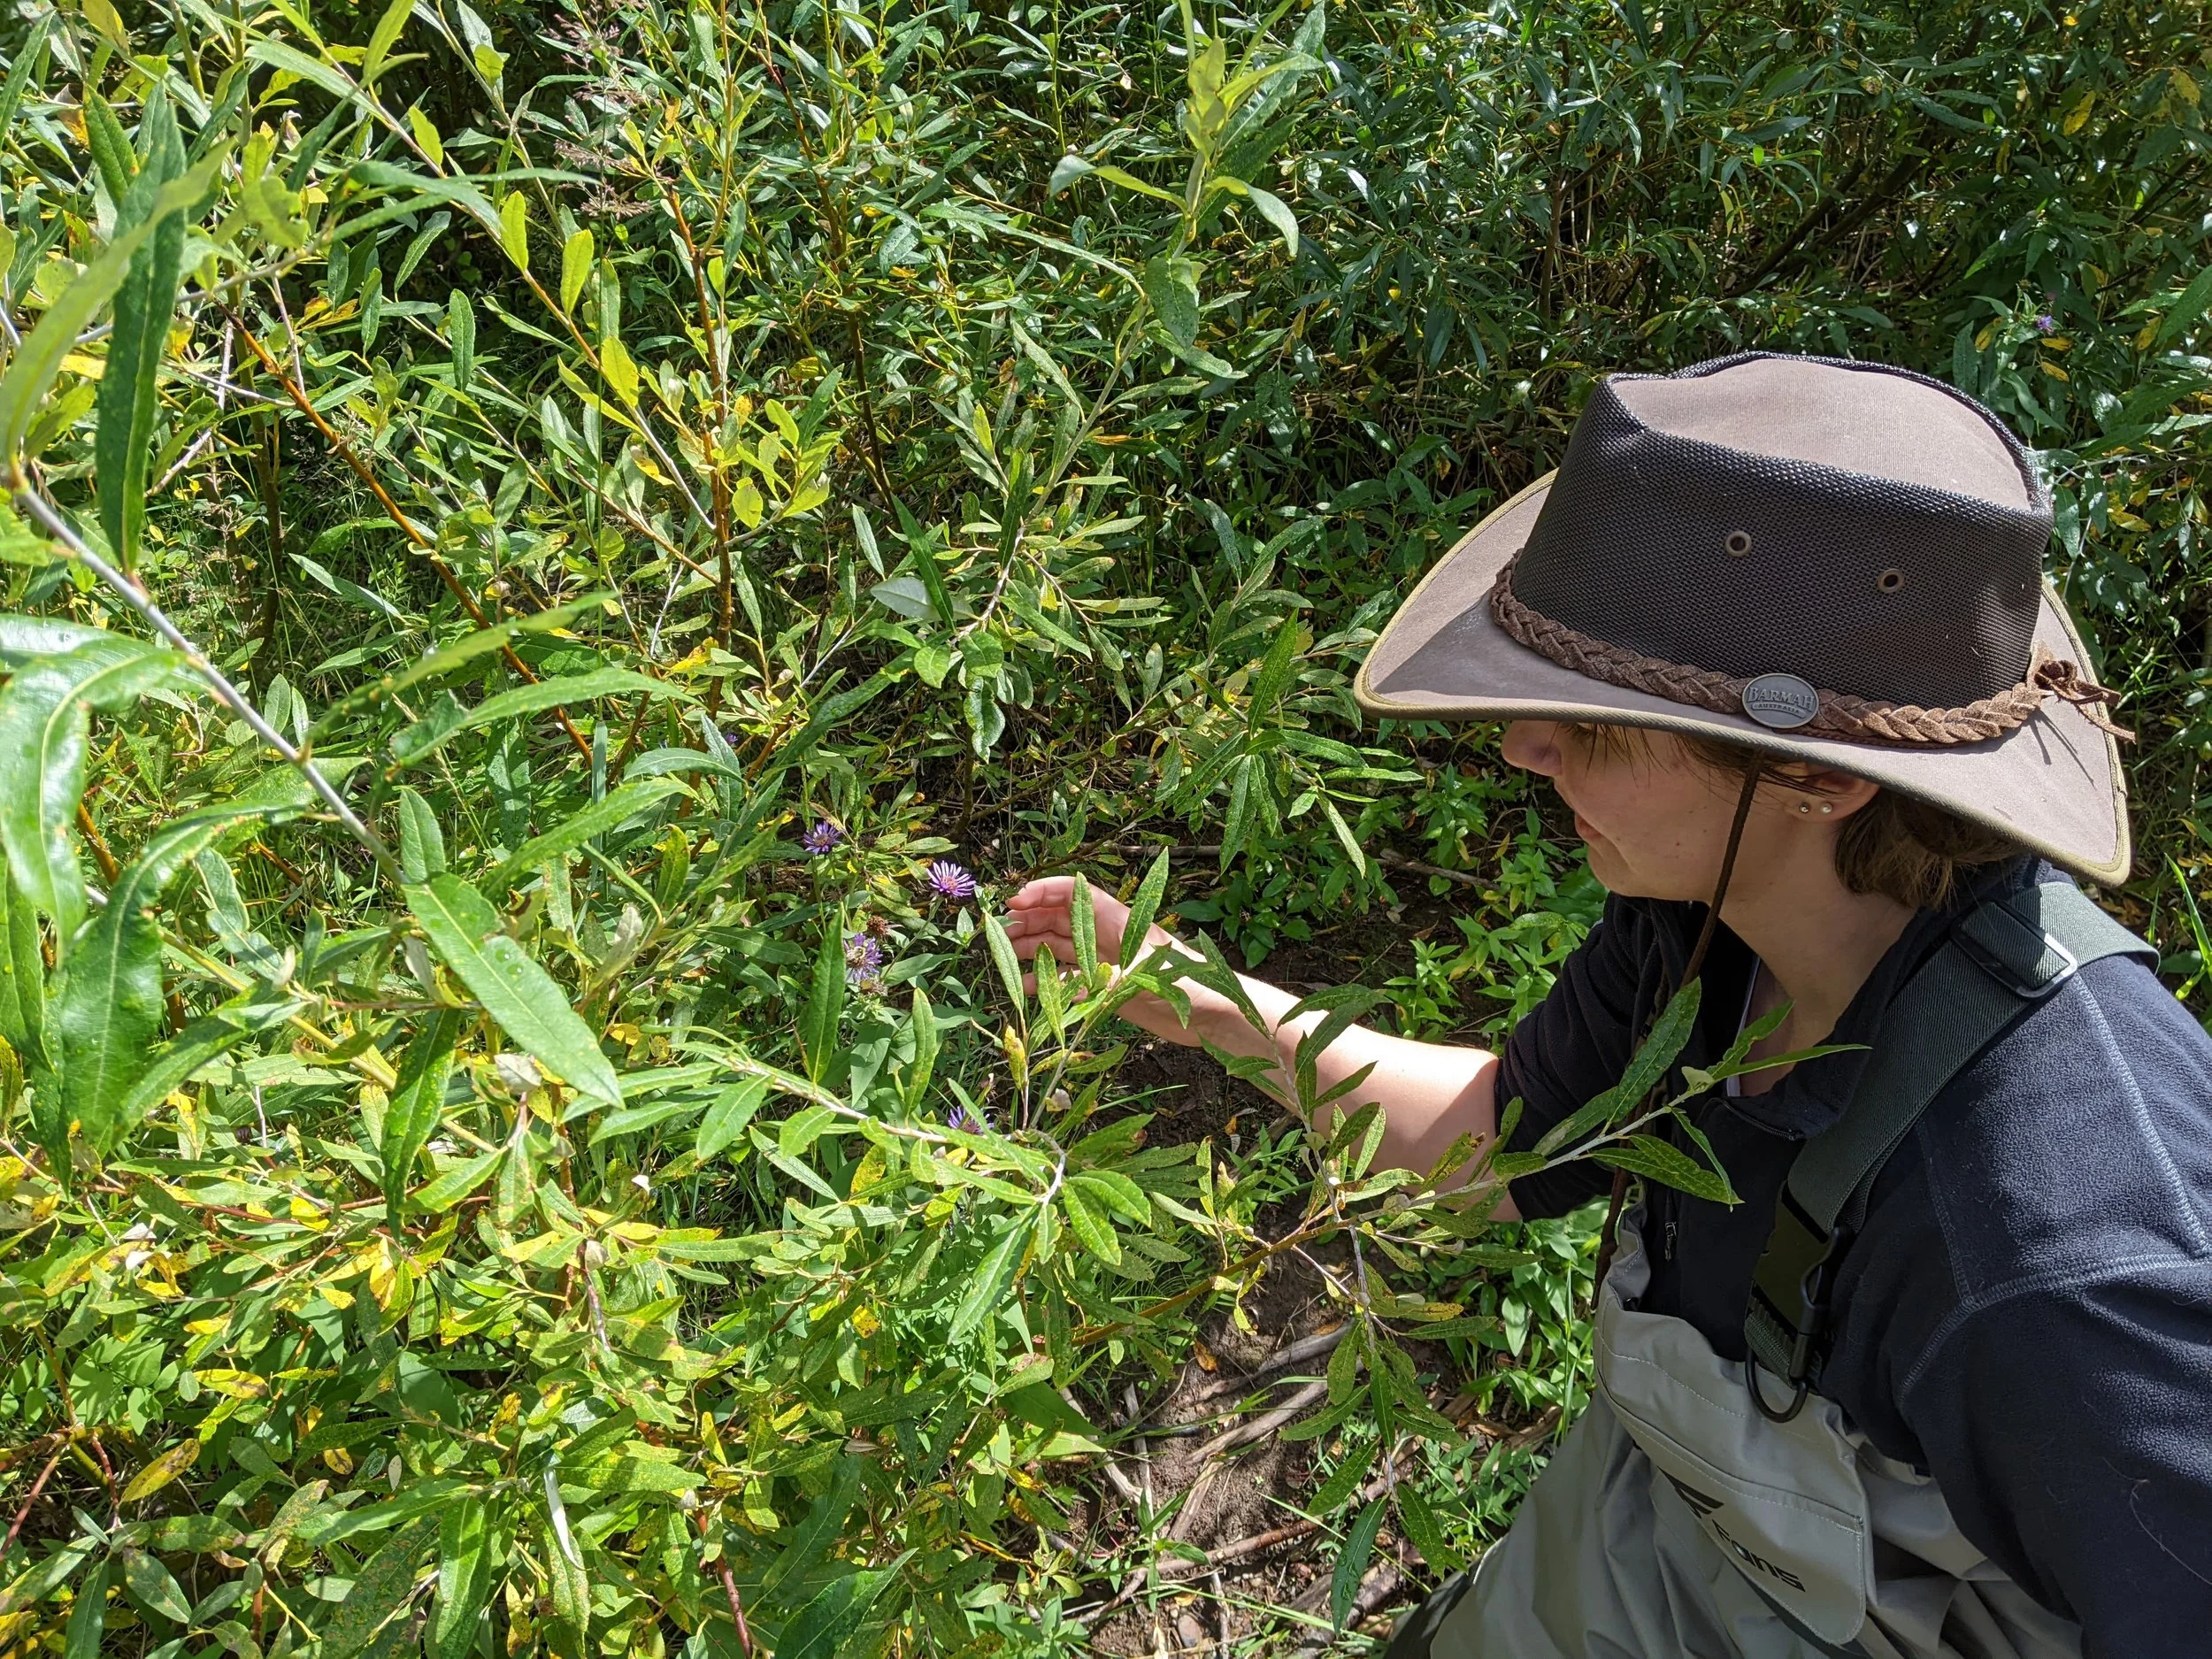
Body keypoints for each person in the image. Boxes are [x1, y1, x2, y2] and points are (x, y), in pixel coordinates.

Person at [1003, 354, 2212, 1657]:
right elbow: (1499, 1138)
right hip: (1643, 1556)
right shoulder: (1711, 920)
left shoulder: (2064, 1249)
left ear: (1819, 776)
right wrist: (1200, 999)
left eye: (1602, 720)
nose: (1527, 745)